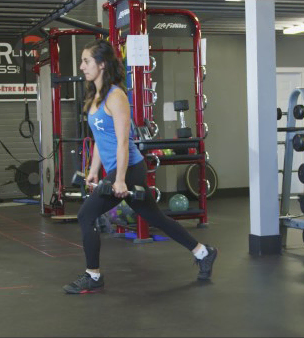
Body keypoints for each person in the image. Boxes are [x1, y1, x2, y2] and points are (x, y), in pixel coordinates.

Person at [62, 40, 217, 294]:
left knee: (85, 215)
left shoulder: (116, 96)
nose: (82, 66)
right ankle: (203, 252)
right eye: (82, 61)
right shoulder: (94, 98)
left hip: (131, 168)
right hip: (117, 169)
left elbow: (124, 141)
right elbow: (102, 139)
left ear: (101, 64)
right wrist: (93, 170)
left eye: (86, 61)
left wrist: (120, 179)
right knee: (155, 217)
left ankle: (93, 276)